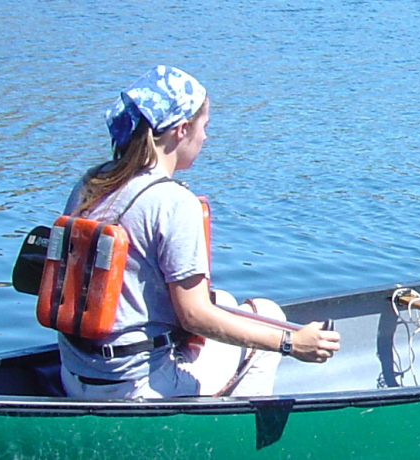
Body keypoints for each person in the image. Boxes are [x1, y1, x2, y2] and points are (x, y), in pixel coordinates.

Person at [56, 65, 341, 399]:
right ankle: (228, 438)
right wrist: (292, 343)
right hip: (136, 387)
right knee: (268, 316)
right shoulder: (174, 202)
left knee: (223, 301)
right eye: (204, 126)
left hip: (75, 374)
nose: (205, 137)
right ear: (181, 130)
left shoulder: (92, 183)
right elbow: (194, 316)